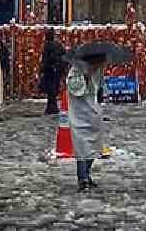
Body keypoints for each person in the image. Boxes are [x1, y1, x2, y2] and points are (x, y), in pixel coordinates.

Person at [67, 52, 106, 192]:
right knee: (81, 146)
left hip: (93, 113)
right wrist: (85, 77)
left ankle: (87, 173)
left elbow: (99, 89)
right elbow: (75, 89)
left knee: (93, 146)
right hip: (79, 114)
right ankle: (82, 178)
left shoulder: (98, 71)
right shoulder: (76, 70)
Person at [39, 29, 66, 115]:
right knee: (54, 88)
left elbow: (46, 58)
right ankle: (52, 107)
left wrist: (43, 68)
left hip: (50, 69)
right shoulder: (58, 45)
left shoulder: (47, 46)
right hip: (57, 69)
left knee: (50, 89)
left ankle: (51, 107)